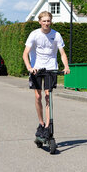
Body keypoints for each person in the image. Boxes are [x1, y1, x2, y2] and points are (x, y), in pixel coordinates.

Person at [23, 11, 71, 139]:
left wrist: (66, 66)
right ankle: (41, 122)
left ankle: (48, 126)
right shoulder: (34, 34)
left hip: (51, 68)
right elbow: (25, 53)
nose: (46, 23)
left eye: (48, 21)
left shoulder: (56, 35)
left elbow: (62, 53)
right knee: (38, 96)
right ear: (40, 22)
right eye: (43, 21)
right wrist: (29, 67)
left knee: (48, 96)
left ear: (51, 21)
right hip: (36, 69)